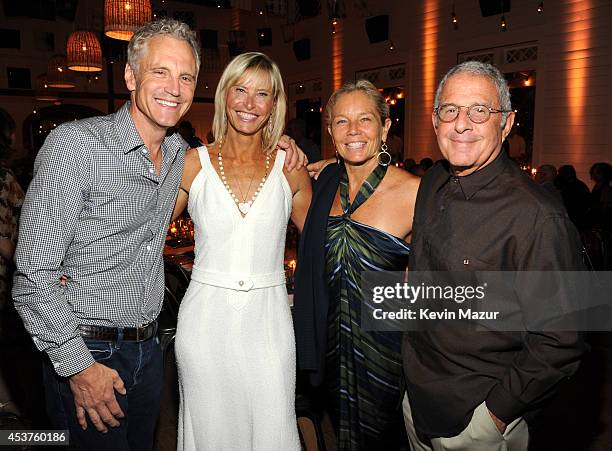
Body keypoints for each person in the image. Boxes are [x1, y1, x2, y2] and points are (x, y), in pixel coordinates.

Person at [11, 19, 201, 450]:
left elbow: (239, 152)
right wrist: (78, 366)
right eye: (160, 71)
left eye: (186, 76)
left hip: (148, 351)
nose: (175, 87)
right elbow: (33, 274)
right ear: (131, 77)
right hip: (88, 349)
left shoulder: (177, 153)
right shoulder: (74, 146)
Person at [401, 61, 586, 451]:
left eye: (479, 111)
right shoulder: (433, 182)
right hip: (415, 401)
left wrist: (494, 416)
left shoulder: (537, 216)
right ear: (435, 121)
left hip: (475, 418)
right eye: (450, 110)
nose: (461, 124)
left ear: (507, 122)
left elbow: (561, 340)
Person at [172, 52, 312, 450]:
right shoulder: (191, 164)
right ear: (224, 95)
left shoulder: (291, 167)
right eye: (241, 90)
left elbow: (326, 239)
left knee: (272, 427)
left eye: (262, 94)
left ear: (274, 104)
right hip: (204, 323)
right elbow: (141, 233)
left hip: (269, 322)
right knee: (211, 431)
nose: (249, 104)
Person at [294, 80, 420, 449]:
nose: (353, 131)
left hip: (389, 356)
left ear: (386, 126)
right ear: (330, 131)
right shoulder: (325, 184)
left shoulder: (416, 192)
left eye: (365, 119)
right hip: (331, 349)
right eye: (341, 122)